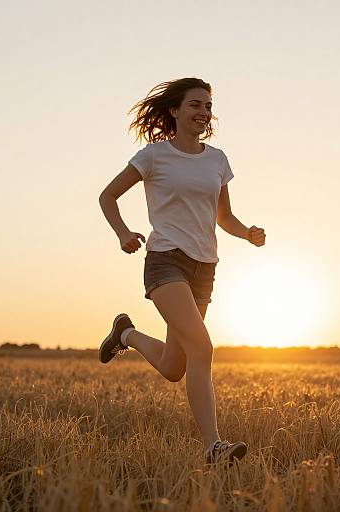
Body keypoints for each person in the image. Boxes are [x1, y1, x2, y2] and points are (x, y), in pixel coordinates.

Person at [98, 77, 266, 465]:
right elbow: (107, 196)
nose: (203, 112)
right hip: (165, 260)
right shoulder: (154, 156)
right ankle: (214, 446)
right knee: (203, 348)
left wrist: (247, 233)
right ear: (174, 110)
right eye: (195, 105)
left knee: (176, 367)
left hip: (204, 268)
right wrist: (123, 233)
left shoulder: (217, 160)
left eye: (207, 106)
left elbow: (223, 216)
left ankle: (125, 333)